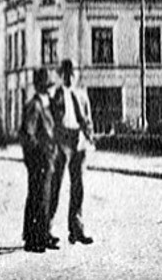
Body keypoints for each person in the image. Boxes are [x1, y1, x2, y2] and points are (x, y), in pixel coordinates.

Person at [49, 59, 95, 246]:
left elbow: (88, 120)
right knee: (55, 186)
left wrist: (90, 138)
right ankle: (46, 230)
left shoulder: (83, 95)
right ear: (61, 75)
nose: (70, 77)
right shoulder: (55, 96)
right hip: (62, 142)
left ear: (77, 75)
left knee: (78, 187)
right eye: (66, 74)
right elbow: (50, 121)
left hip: (79, 142)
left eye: (72, 73)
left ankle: (76, 229)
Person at [21, 67, 58, 253]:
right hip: (39, 160)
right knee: (37, 198)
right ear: (44, 87)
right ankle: (33, 239)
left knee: (44, 197)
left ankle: (41, 235)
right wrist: (39, 155)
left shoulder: (46, 104)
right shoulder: (35, 106)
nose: (52, 89)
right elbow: (28, 134)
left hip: (47, 159)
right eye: (50, 86)